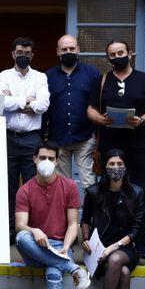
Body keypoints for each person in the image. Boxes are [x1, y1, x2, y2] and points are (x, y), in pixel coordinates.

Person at [13, 141, 91, 289]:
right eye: (42, 158)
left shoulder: (69, 186)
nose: (46, 162)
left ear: (57, 161)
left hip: (59, 247)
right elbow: (20, 224)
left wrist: (66, 248)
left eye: (50, 158)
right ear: (34, 159)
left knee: (54, 276)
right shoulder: (25, 190)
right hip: (35, 248)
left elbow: (73, 224)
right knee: (21, 237)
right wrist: (34, 230)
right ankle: (74, 269)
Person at [80, 150, 143, 289]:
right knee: (123, 273)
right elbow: (85, 220)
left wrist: (114, 247)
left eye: (119, 163)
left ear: (125, 166)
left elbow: (136, 230)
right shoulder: (93, 192)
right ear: (105, 167)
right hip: (99, 250)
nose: (116, 168)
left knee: (116, 259)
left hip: (126, 248)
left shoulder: (137, 192)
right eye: (111, 164)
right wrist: (86, 239)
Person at [88, 40, 145, 214]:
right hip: (109, 145)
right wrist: (99, 119)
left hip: (139, 145)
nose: (117, 57)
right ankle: (111, 228)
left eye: (120, 53)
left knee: (140, 187)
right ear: (108, 59)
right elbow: (90, 109)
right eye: (112, 55)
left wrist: (141, 120)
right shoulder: (101, 81)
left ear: (130, 54)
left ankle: (141, 231)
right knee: (109, 187)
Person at [0, 37, 50, 232]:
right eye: (20, 53)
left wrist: (14, 102)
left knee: (32, 187)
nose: (23, 56)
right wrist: (27, 101)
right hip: (8, 138)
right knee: (8, 186)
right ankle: (10, 229)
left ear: (32, 55)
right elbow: (0, 103)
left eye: (27, 53)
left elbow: (43, 105)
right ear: (13, 54)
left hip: (32, 140)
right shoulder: (3, 76)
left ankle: (30, 230)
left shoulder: (40, 77)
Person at [45, 35, 100, 191]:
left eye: (71, 49)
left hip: (85, 137)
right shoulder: (48, 76)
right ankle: (66, 216)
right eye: (64, 49)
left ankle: (90, 215)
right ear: (57, 52)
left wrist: (98, 135)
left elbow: (98, 104)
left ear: (78, 50)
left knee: (90, 184)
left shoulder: (92, 73)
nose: (68, 52)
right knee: (62, 186)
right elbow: (45, 109)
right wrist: (44, 138)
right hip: (58, 138)